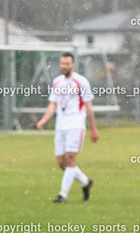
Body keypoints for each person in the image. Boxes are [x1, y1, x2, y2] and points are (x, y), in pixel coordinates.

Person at [37, 52, 99, 203]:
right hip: (61, 126)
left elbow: (88, 107)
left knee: (70, 159)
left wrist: (94, 129)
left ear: (73, 65)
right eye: (62, 64)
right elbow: (53, 104)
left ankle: (62, 195)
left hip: (76, 125)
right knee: (61, 163)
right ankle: (85, 182)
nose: (64, 66)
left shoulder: (81, 82)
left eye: (67, 64)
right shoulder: (57, 81)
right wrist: (44, 120)